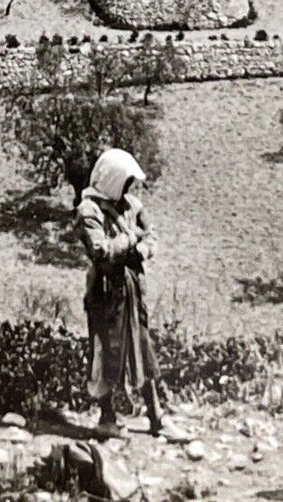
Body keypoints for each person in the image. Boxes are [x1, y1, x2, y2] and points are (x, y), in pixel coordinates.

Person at [76, 148, 183, 442]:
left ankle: (156, 416)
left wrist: (141, 247)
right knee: (106, 350)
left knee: (142, 347)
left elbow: (151, 236)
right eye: (124, 182)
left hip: (132, 288)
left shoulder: (132, 206)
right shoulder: (89, 211)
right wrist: (131, 239)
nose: (127, 189)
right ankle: (108, 417)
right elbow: (100, 251)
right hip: (105, 291)